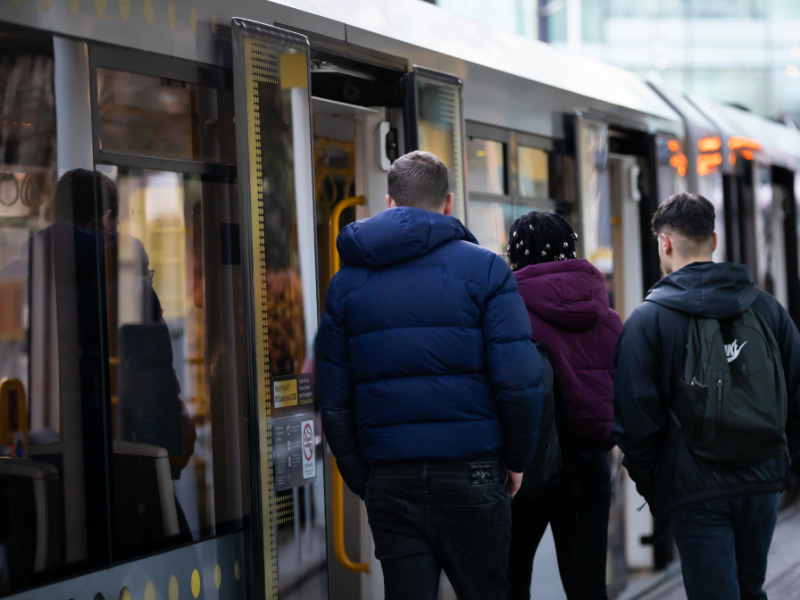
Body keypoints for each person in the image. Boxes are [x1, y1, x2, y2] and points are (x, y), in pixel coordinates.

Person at [317, 151, 544, 600]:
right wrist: (516, 460)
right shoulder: (487, 269)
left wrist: (364, 477)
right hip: (474, 472)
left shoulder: (347, 282)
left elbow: (335, 396)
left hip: (389, 477)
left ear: (389, 202)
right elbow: (518, 383)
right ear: (448, 203)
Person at [614, 193, 800, 600]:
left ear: (664, 243)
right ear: (713, 240)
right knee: (751, 591)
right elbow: (796, 390)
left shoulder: (647, 322)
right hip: (763, 482)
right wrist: (783, 465)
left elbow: (635, 420)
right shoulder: (767, 309)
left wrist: (660, 487)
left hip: (693, 491)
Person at [504, 212, 622, 600]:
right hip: (588, 467)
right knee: (588, 586)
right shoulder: (606, 316)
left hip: (527, 465)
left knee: (511, 578)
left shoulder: (508, 311)